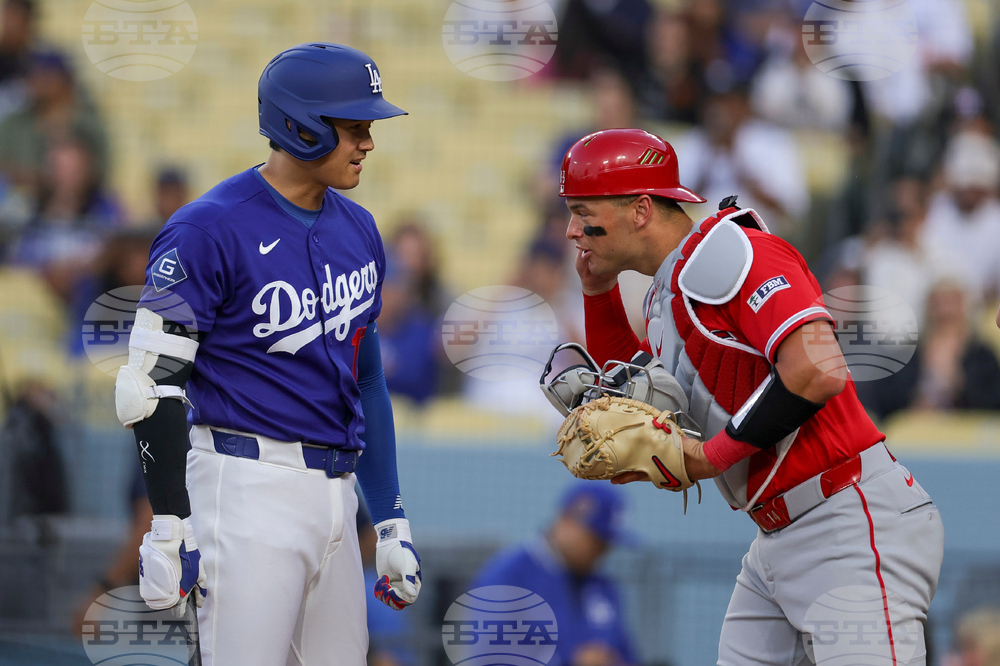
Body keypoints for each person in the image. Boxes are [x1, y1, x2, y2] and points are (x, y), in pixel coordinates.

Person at [560, 128, 944, 665]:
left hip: (848, 518)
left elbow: (818, 369)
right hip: (780, 535)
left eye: (582, 210)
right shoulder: (667, 292)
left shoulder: (733, 253)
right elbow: (634, 392)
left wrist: (707, 456)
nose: (573, 229)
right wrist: (597, 294)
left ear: (642, 209)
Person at [113, 43, 421, 664]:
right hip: (243, 484)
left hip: (334, 495)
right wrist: (170, 521)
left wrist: (388, 519)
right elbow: (149, 386)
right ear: (300, 124)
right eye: (352, 127)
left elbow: (367, 382)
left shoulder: (359, 228)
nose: (367, 142)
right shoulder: (207, 227)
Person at [472, 483, 637, 666]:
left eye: (607, 543)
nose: (602, 551)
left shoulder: (603, 587)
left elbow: (627, 655)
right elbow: (488, 656)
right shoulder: (510, 576)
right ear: (567, 521)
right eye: (595, 540)